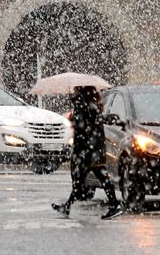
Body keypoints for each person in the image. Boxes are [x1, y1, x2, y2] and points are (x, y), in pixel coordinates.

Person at [52, 85, 123, 220]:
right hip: (92, 149)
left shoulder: (85, 106)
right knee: (88, 179)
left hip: (89, 150)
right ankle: (67, 206)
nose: (73, 92)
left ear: (82, 92)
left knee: (91, 178)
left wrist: (75, 111)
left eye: (76, 90)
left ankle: (114, 206)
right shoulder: (90, 105)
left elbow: (83, 127)